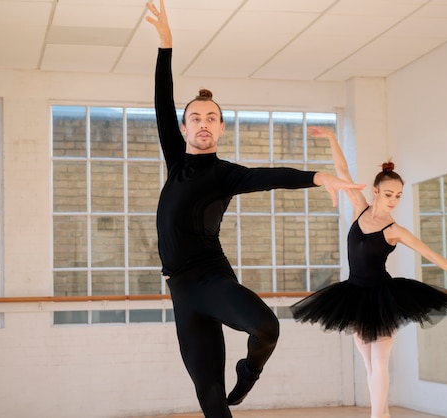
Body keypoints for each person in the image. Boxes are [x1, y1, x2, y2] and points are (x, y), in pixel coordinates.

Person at [145, 2, 365, 417]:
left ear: (221, 127)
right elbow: (161, 100)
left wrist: (320, 177)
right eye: (195, 117)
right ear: (184, 127)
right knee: (209, 396)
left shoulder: (224, 174)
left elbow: (271, 175)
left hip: (211, 278)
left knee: (267, 327)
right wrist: (166, 45)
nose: (203, 123)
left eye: (212, 117)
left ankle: (248, 372)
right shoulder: (176, 161)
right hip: (182, 293)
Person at [291, 126, 447, 418]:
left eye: (399, 196)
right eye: (389, 194)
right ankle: (383, 415)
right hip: (352, 296)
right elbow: (342, 171)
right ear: (376, 192)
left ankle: (376, 417)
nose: (394, 200)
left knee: (379, 362)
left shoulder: (395, 230)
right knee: (369, 365)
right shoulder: (359, 209)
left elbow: (430, 253)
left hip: (383, 298)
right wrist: (332, 138)